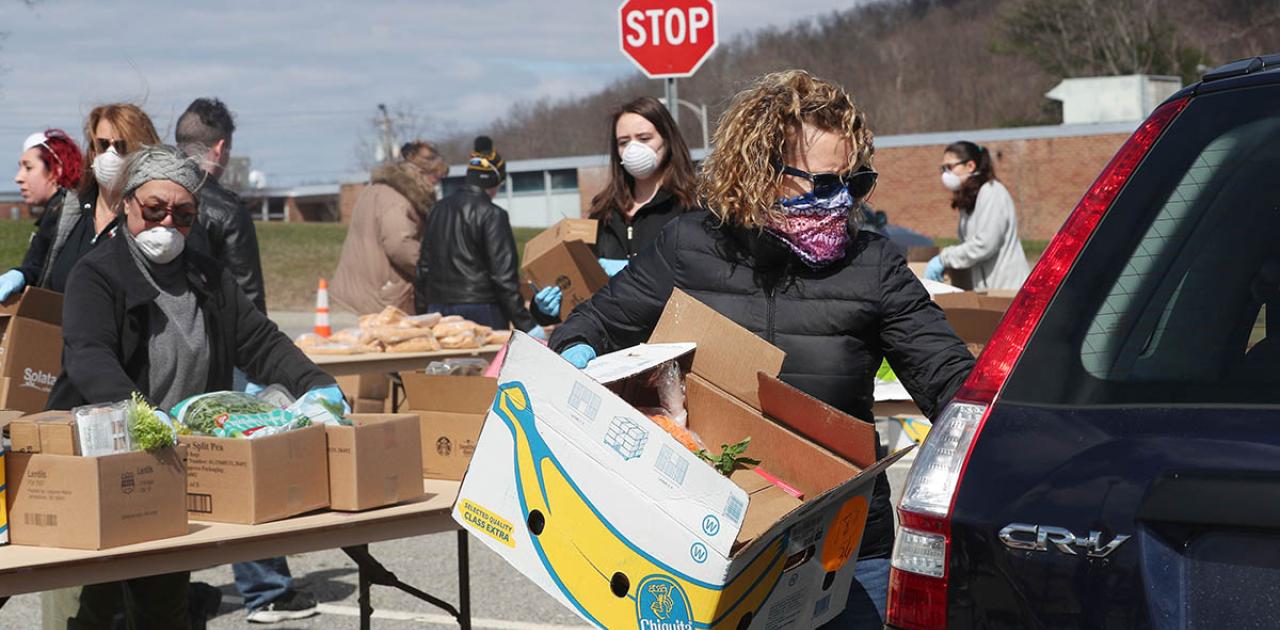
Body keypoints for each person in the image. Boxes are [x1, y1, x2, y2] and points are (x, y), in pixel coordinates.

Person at [548, 70, 975, 628]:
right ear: (760, 171)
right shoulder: (688, 246)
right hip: (717, 542)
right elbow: (596, 323)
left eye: (855, 182)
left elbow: (950, 380)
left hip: (843, 549)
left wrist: (1005, 427)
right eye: (823, 184)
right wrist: (575, 353)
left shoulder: (872, 264)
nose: (840, 199)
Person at [40, 145, 346, 628]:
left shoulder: (209, 276)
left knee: (163, 606)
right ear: (126, 204)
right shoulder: (96, 275)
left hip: (168, 465)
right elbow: (89, 355)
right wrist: (137, 412)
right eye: (154, 210)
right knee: (86, 610)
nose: (167, 225)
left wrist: (320, 385)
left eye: (182, 215)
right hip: (95, 461)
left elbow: (261, 342)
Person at [175, 98, 320, 624]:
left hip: (170, 357)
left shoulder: (149, 198)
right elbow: (249, 302)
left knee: (176, 469)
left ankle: (171, 588)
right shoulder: (225, 207)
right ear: (220, 148)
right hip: (226, 357)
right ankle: (267, 590)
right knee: (243, 469)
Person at [531, 96, 697, 321]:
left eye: (644, 138)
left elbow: (705, 280)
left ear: (667, 139)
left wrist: (636, 271)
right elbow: (582, 284)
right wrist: (544, 308)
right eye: (623, 142)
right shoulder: (604, 211)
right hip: (615, 343)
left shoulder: (691, 205)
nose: (633, 149)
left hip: (672, 335)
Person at [4, 104, 160, 299]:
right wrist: (21, 275)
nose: (110, 155)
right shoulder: (66, 209)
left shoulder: (153, 219)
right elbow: (39, 267)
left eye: (122, 147)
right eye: (103, 145)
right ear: (93, 151)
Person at [416, 136, 543, 337]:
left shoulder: (437, 210)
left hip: (438, 307)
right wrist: (526, 325)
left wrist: (422, 312)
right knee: (487, 368)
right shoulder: (493, 215)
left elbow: (423, 267)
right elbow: (503, 277)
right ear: (494, 181)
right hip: (482, 308)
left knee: (445, 367)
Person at [333, 139, 447, 315]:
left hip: (361, 287)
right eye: (435, 178)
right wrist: (433, 267)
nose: (436, 185)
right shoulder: (398, 202)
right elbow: (399, 245)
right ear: (421, 172)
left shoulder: (376, 190)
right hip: (381, 293)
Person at [176, 97, 267, 315]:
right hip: (210, 336)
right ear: (221, 147)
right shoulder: (228, 212)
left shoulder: (145, 199)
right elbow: (247, 298)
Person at [925, 140, 1030, 290]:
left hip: (1008, 288)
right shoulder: (969, 199)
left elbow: (985, 244)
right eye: (943, 168)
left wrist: (945, 258)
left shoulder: (992, 192)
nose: (945, 173)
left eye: (950, 167)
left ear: (970, 166)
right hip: (987, 289)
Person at [3, 129, 85, 300]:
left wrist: (23, 274)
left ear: (56, 170)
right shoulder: (58, 210)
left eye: (28, 167)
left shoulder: (62, 214)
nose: (19, 177)